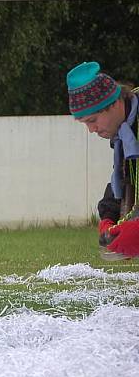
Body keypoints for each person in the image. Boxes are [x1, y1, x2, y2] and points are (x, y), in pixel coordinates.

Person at [67, 61, 139, 259]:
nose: (91, 130)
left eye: (93, 120)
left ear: (114, 103)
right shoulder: (125, 134)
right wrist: (109, 217)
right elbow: (125, 177)